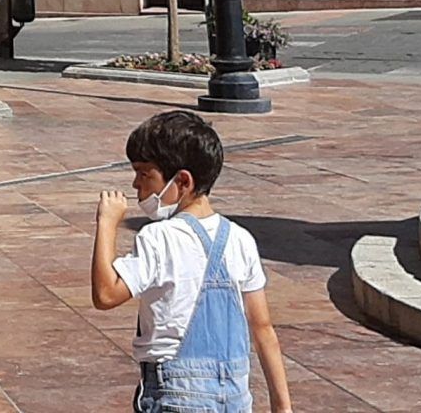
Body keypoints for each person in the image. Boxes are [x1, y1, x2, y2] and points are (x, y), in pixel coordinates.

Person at [92, 110, 293, 413]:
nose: (136, 185)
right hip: (235, 396)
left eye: (144, 174)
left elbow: (106, 294)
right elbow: (263, 328)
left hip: (175, 394)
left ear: (182, 181)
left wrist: (107, 225)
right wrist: (283, 406)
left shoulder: (158, 237)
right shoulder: (241, 240)